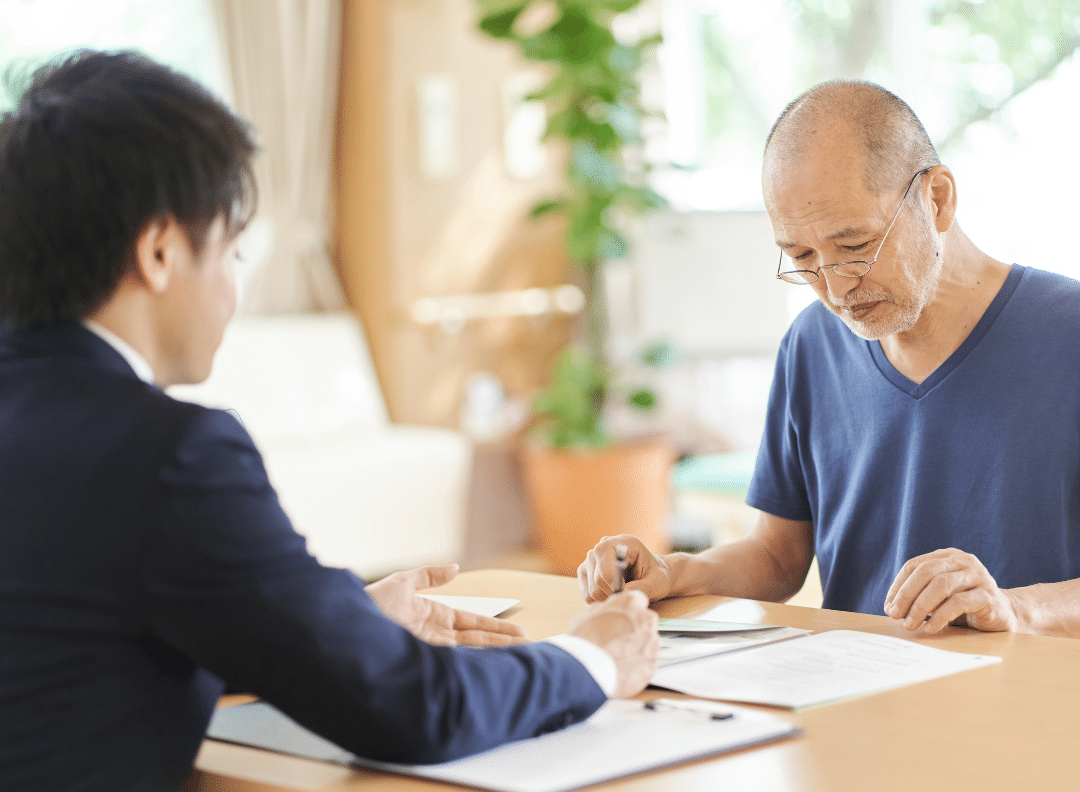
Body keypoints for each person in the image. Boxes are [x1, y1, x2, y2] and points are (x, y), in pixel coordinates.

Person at [0, 50, 659, 792]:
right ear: (159, 251)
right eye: (234, 250)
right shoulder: (166, 454)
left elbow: (70, 648)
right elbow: (413, 708)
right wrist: (592, 658)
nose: (233, 289)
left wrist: (330, 626)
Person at [579, 79, 1080, 640]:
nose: (837, 288)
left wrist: (1017, 610)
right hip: (854, 693)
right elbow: (776, 556)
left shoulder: (1068, 333)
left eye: (857, 247)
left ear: (936, 199)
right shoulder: (812, 344)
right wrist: (677, 571)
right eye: (801, 256)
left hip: (1029, 703)